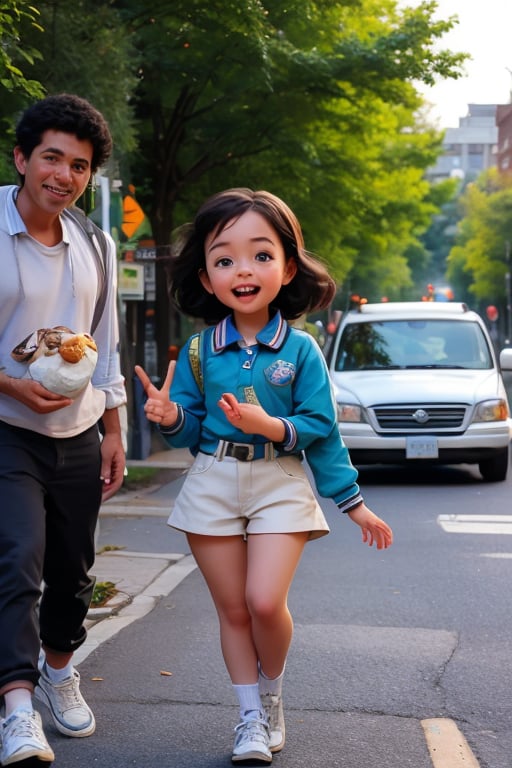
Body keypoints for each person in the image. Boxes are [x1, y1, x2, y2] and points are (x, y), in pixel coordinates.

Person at [135, 188, 393, 765]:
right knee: (232, 610)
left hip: (279, 481)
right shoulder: (200, 350)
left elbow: (320, 429)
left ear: (288, 266)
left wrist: (351, 502)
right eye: (224, 259)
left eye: (260, 254)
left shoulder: (300, 350)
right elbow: (187, 430)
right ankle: (249, 717)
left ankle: (272, 695)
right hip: (213, 478)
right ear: (206, 278)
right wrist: (170, 415)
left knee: (263, 601)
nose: (242, 270)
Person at [0, 94, 126, 765]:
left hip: (78, 432)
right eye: (52, 157)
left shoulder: (95, 244)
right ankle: (17, 706)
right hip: (6, 427)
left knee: (73, 567)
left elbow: (105, 346)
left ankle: (58, 670)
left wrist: (113, 430)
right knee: (17, 556)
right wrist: (9, 383)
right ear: (22, 158)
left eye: (79, 165)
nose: (64, 174)